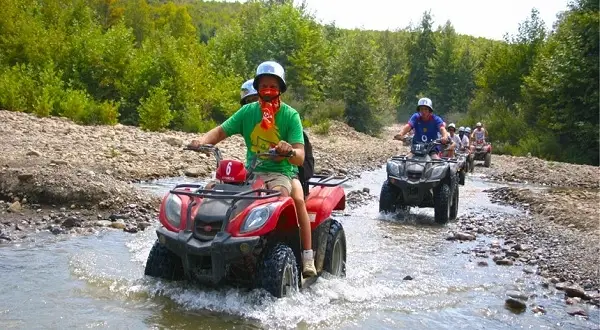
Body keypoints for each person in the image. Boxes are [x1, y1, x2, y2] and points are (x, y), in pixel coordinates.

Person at [188, 61, 317, 277]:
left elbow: (301, 157)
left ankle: (307, 256)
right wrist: (201, 141)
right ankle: (213, 240)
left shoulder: (290, 115)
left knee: (288, 199)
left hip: (282, 173)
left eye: (273, 86)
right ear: (257, 88)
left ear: (280, 89)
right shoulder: (248, 112)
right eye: (264, 85)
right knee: (214, 190)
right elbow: (220, 131)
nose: (268, 90)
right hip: (253, 171)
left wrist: (289, 151)